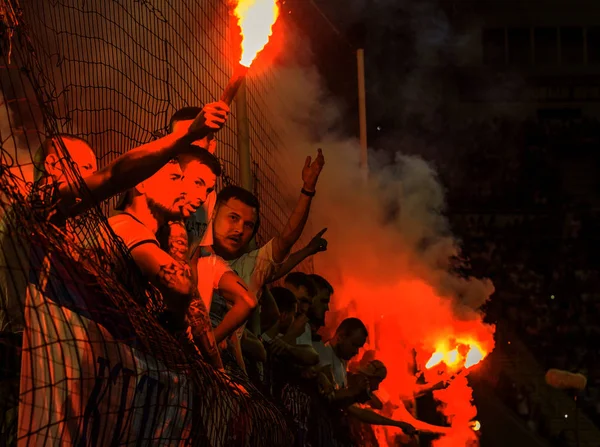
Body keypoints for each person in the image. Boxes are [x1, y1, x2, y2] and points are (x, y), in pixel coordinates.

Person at [198, 149, 325, 372]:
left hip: (227, 374)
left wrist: (308, 190)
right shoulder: (189, 245)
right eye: (233, 218)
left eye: (248, 225)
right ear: (214, 211)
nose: (239, 229)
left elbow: (285, 240)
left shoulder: (252, 266)